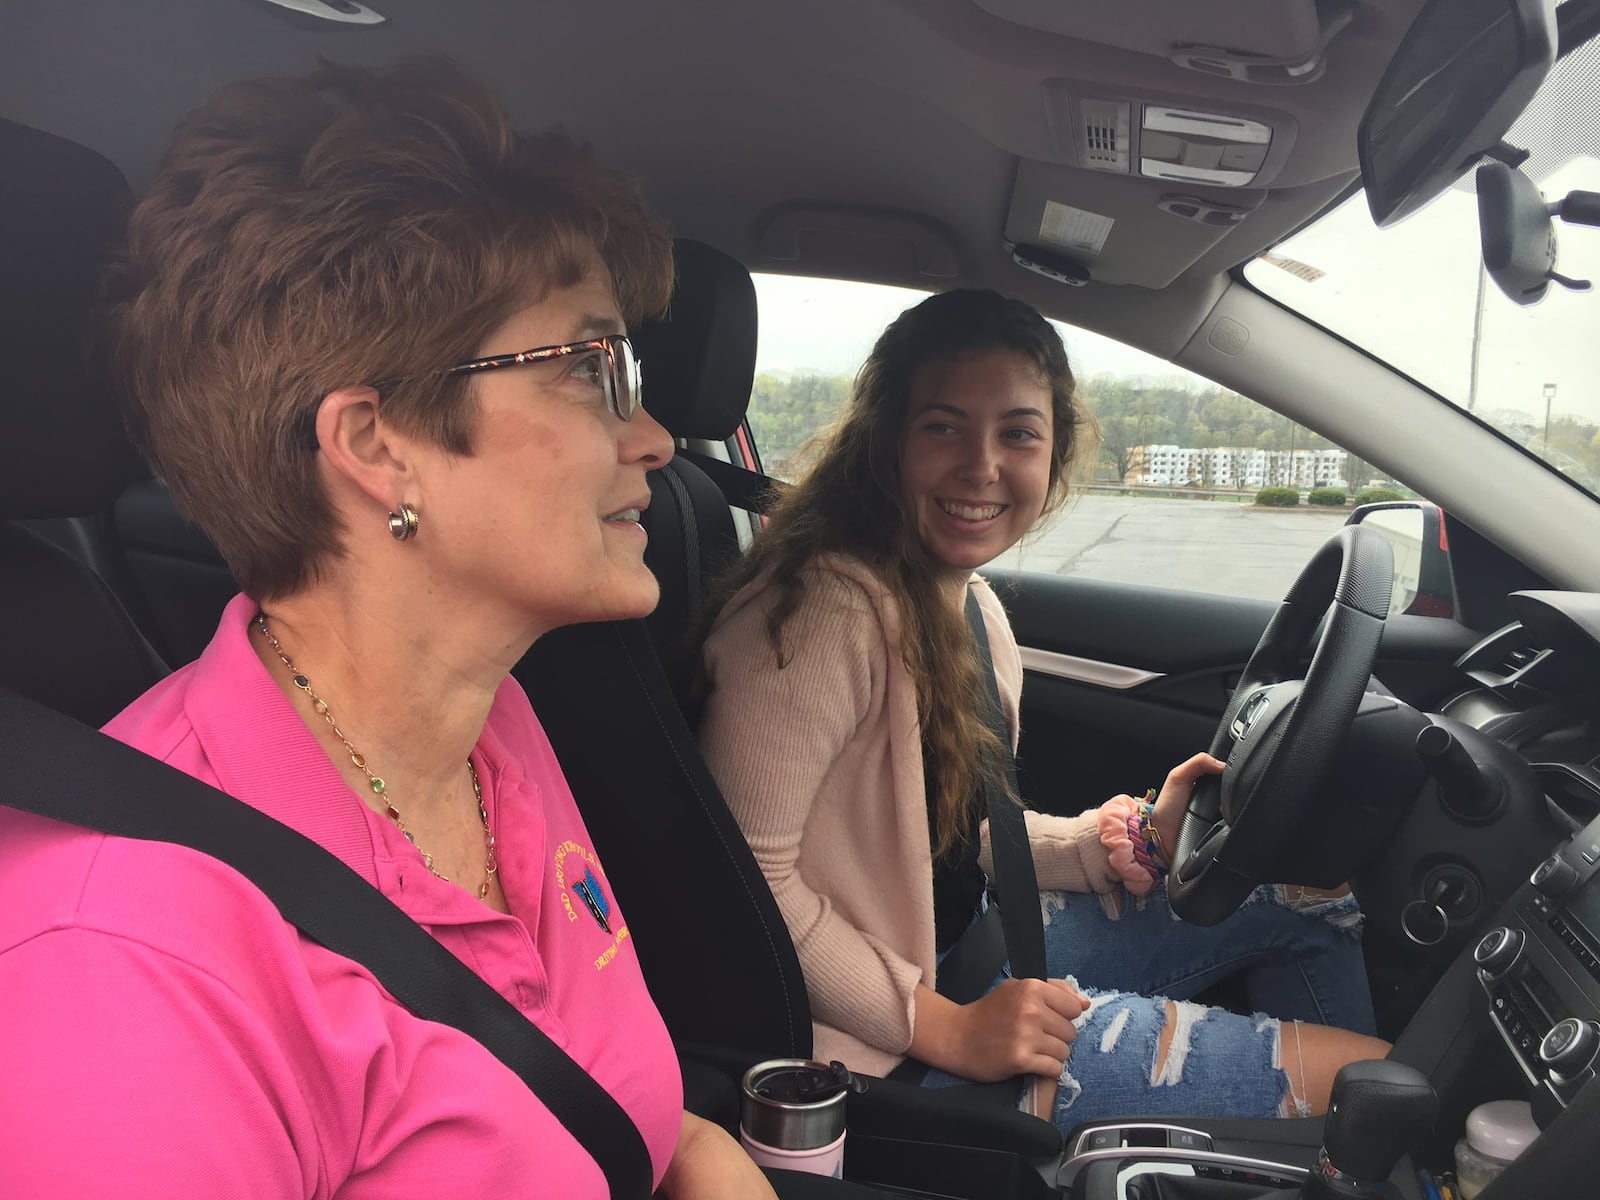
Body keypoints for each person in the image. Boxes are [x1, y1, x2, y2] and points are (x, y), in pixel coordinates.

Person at [0, 59, 780, 1199]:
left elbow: (617, 1119)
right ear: (375, 446)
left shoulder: (493, 726)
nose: (655, 436)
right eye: (589, 369)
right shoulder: (125, 959)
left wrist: (704, 1154)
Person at [697, 288, 1391, 1131]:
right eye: (943, 426)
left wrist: (1113, 841)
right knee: (1375, 1084)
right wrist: (947, 1029)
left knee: (1314, 897)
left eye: (1018, 433)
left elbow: (951, 836)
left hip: (962, 948)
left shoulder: (967, 606)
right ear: (887, 444)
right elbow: (742, 889)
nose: (982, 465)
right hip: (869, 1045)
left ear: (1054, 452)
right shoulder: (818, 614)